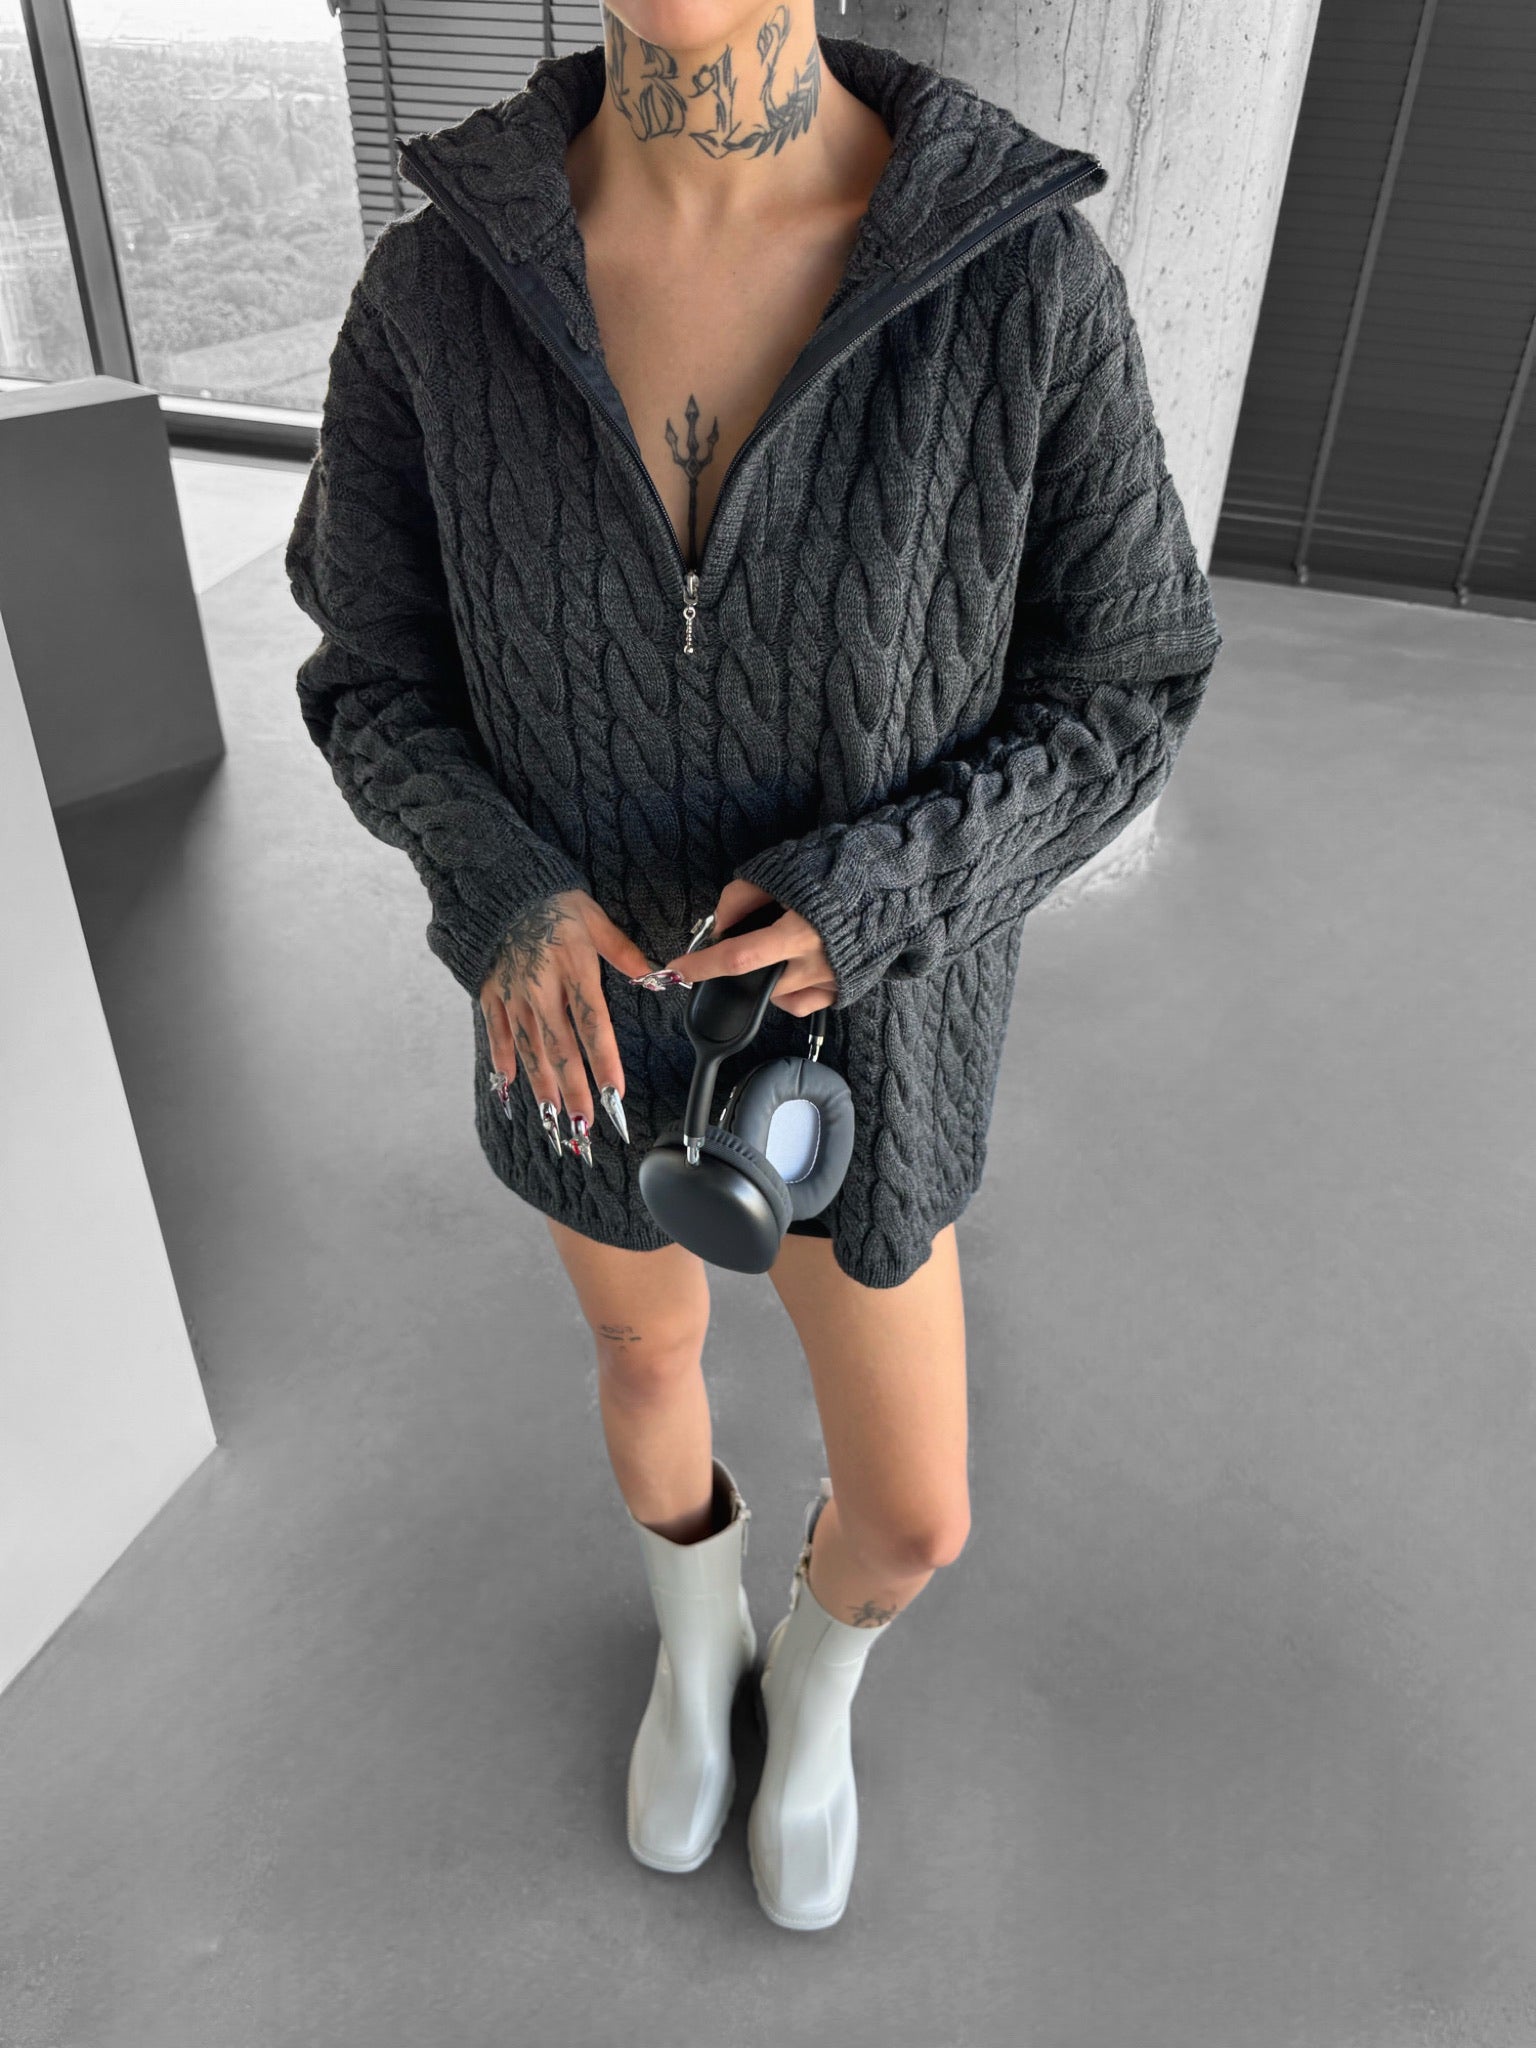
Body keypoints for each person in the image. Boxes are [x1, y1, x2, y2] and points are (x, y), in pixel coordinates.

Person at [285, 6, 1223, 1933]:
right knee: (643, 1354)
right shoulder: (436, 297)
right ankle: (692, 1635)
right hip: (580, 1030)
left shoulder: (1016, 278)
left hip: (857, 1050)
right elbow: (370, 672)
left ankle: (815, 1676)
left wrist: (883, 895)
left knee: (916, 1508)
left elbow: (1129, 681)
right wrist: (499, 886)